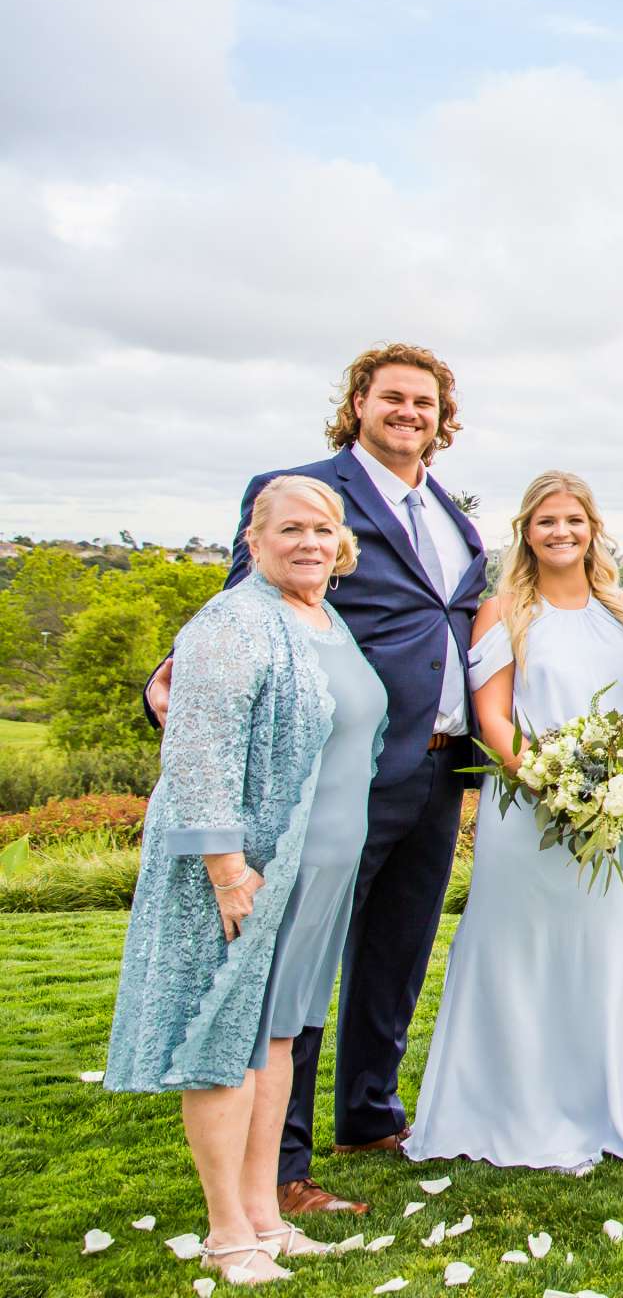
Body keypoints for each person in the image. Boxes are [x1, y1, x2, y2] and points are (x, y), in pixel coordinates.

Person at [147, 344, 483, 1216]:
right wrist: (171, 680)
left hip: (443, 766)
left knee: (396, 952)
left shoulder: (449, 513)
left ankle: (369, 1112)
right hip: (340, 772)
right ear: (358, 404)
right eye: (393, 398)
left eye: (426, 402)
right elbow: (240, 606)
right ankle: (281, 1168)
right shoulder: (301, 494)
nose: (410, 413)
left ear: (444, 419)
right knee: (297, 962)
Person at [107, 476, 385, 1285]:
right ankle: (227, 1233)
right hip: (250, 874)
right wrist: (228, 869)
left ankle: (266, 1214)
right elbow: (198, 752)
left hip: (319, 873)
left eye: (324, 529)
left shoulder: (324, 616)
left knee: (278, 1041)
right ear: (254, 541)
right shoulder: (233, 621)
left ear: (342, 545)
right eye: (290, 528)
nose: (310, 542)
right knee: (227, 1045)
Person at [404, 472, 623, 1173]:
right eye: (546, 521)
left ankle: (589, 1111)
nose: (561, 532)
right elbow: (492, 718)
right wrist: (555, 785)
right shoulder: (503, 613)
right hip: (527, 815)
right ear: (526, 531)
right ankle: (500, 1111)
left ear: (592, 527)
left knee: (594, 961)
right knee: (512, 958)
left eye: (573, 519)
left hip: (615, 823)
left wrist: (622, 787)